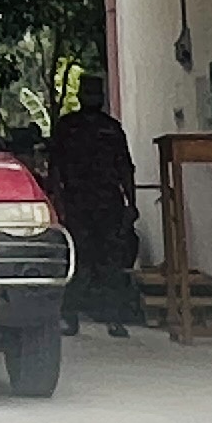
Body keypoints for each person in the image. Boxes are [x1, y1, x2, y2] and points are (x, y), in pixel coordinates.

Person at [46, 100, 142, 336]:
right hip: (77, 201)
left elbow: (125, 168)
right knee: (78, 261)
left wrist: (132, 202)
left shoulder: (111, 128)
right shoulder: (69, 126)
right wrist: (58, 202)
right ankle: (70, 316)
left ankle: (113, 318)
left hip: (106, 202)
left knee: (110, 262)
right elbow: (55, 167)